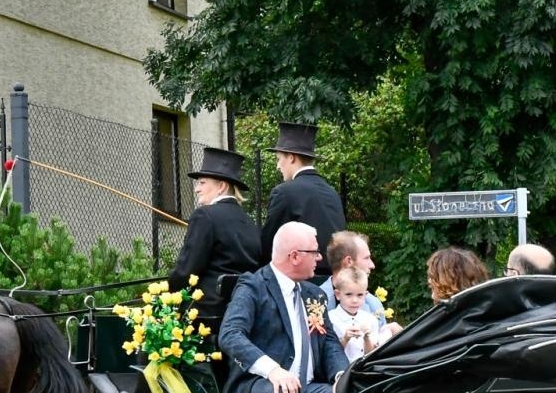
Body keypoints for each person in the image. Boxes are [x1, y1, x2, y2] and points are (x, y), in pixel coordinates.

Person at [219, 221, 350, 393]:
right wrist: (273, 370)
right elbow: (230, 335)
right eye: (314, 252)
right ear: (294, 256)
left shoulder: (313, 294)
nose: (319, 258)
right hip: (256, 391)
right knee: (280, 391)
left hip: (304, 390)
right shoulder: (253, 286)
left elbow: (328, 343)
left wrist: (341, 374)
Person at [167, 146, 263, 329]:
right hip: (245, 310)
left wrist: (163, 291)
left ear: (221, 186)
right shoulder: (250, 223)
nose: (196, 189)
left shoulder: (204, 215)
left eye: (202, 182)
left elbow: (187, 270)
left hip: (205, 314)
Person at [261, 122, 346, 283]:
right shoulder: (332, 192)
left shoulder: (284, 192)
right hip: (335, 283)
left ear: (291, 158)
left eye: (279, 159)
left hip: (301, 282)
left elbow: (270, 245)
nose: (278, 166)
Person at [325, 229, 402, 335]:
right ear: (348, 262)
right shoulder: (315, 301)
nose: (372, 265)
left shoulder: (373, 303)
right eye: (367, 258)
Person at [329, 267, 392, 363]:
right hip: (341, 371)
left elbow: (370, 354)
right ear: (338, 294)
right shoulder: (331, 319)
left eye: (360, 295)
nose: (355, 300)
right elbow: (330, 354)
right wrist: (345, 338)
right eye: (349, 294)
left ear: (365, 295)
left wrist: (367, 338)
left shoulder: (370, 319)